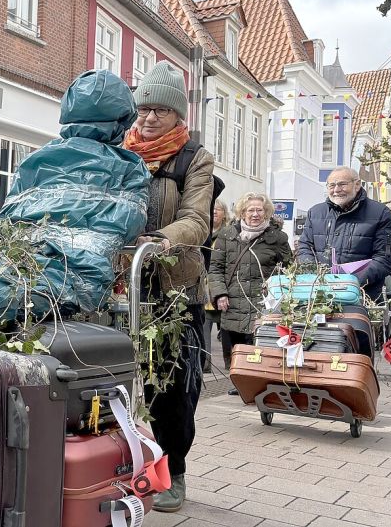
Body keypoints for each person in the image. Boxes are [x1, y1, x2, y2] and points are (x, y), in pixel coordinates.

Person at [122, 61, 214, 513]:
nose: (149, 118)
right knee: (115, 380)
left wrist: (160, 240)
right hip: (123, 286)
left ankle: (173, 471)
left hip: (174, 290)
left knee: (171, 389)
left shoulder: (194, 157)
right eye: (144, 109)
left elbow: (196, 219)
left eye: (160, 110)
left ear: (178, 114)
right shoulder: (122, 150)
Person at [209, 193, 292, 395]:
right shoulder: (227, 235)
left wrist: (279, 294)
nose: (255, 214)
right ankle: (240, 382)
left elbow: (289, 269)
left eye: (259, 210)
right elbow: (215, 268)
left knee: (260, 342)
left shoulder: (277, 238)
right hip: (233, 300)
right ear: (242, 212)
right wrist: (220, 294)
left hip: (263, 301)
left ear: (266, 212)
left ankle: (260, 383)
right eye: (250, 210)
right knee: (236, 344)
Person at [297, 166, 391, 302]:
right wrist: (315, 275)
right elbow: (304, 247)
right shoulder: (315, 213)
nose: (336, 190)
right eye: (332, 185)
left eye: (342, 184)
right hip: (320, 295)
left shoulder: (381, 213)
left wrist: (352, 282)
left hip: (364, 297)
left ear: (357, 185)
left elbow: (385, 258)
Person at [202, 199, 228, 373]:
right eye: (211, 209)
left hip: (223, 290)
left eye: (217, 209)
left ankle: (231, 366)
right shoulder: (203, 232)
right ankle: (205, 365)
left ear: (224, 214)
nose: (214, 212)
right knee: (205, 328)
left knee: (227, 332)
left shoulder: (229, 234)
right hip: (205, 290)